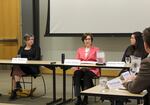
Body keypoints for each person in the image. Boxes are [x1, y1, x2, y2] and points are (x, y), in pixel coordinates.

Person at [122, 27, 150, 105]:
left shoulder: (147, 62)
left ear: (146, 44)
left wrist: (125, 82)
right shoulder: (129, 48)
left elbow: (134, 88)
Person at [10, 34, 41, 100]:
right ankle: (16, 87)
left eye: (32, 39)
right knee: (15, 68)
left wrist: (26, 60)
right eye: (29, 39)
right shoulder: (21, 48)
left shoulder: (36, 48)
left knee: (14, 71)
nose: (31, 41)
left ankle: (15, 90)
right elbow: (18, 57)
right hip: (22, 68)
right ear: (25, 41)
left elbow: (37, 58)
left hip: (31, 68)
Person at [73, 33, 100, 105]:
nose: (87, 41)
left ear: (91, 40)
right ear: (83, 41)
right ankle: (78, 97)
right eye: (85, 39)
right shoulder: (79, 50)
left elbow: (100, 61)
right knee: (76, 73)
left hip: (92, 70)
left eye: (89, 39)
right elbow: (77, 61)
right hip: (81, 69)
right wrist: (77, 68)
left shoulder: (96, 49)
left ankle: (85, 97)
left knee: (86, 74)